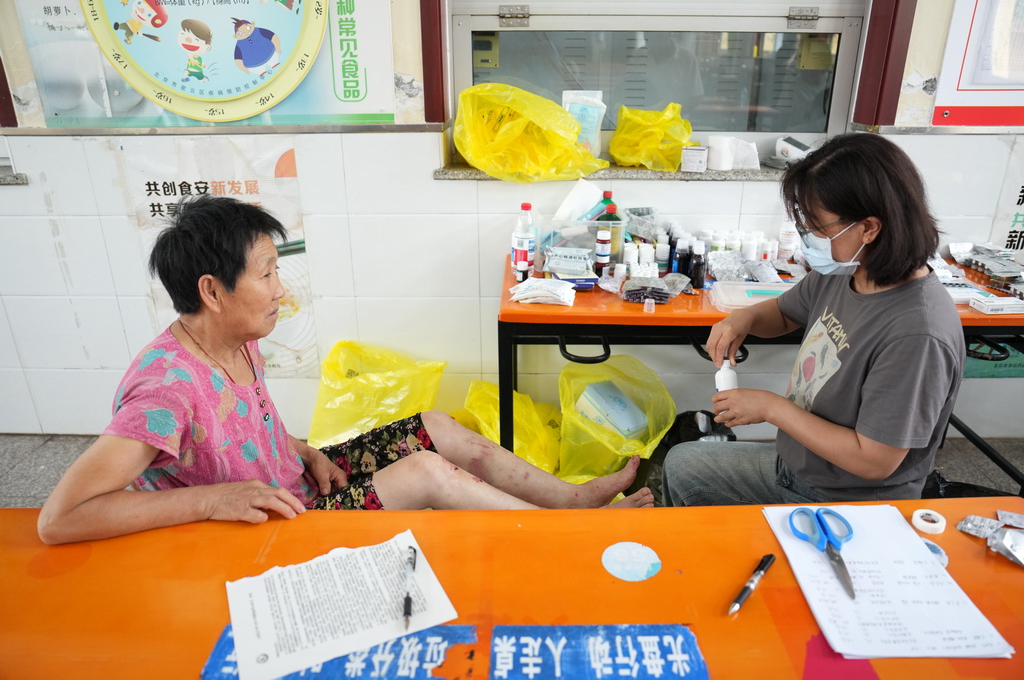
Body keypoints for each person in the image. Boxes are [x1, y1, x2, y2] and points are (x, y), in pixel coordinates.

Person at [38, 196, 653, 545]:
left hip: (295, 483)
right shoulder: (165, 388)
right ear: (213, 290)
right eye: (267, 274)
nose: (282, 290)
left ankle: (573, 502)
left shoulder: (236, 337)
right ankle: (568, 537)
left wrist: (301, 449)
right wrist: (212, 501)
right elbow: (60, 519)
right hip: (264, 526)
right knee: (427, 474)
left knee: (435, 425)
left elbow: (242, 426)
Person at [662, 133, 964, 506]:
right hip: (799, 463)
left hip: (847, 496)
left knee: (686, 472)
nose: (809, 238)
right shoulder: (846, 271)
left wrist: (772, 408)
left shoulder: (917, 334)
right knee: (682, 464)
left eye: (819, 228)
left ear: (869, 228)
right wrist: (743, 318)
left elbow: (874, 461)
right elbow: (784, 313)